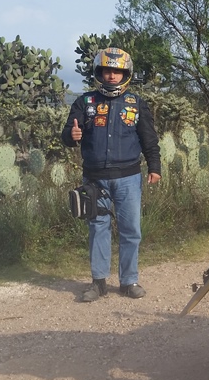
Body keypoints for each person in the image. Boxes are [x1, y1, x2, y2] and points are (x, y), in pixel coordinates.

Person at [61, 47, 161, 301]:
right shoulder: (85, 103)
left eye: (117, 71)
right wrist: (71, 137)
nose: (112, 76)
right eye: (107, 71)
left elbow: (149, 139)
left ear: (125, 73)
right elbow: (67, 134)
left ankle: (129, 281)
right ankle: (98, 283)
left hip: (129, 178)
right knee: (98, 228)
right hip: (95, 178)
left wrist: (155, 166)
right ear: (99, 72)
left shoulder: (136, 104)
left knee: (131, 230)